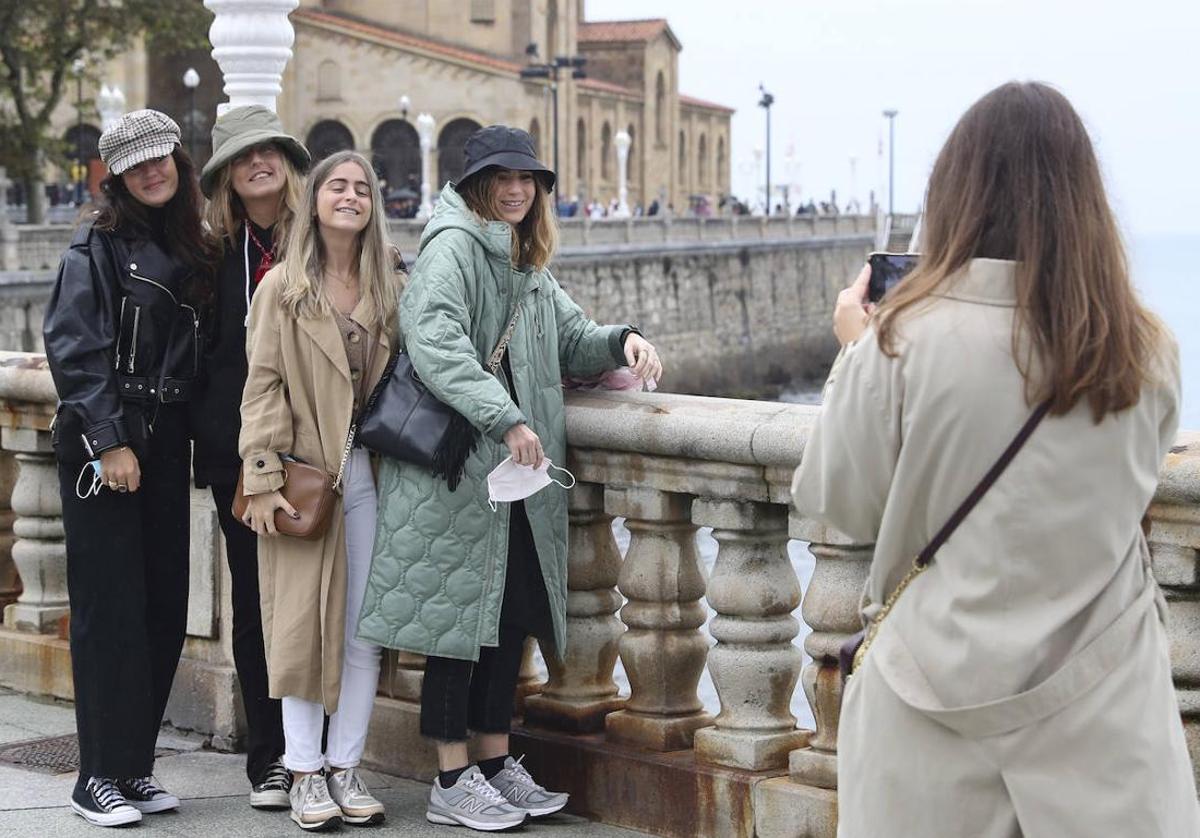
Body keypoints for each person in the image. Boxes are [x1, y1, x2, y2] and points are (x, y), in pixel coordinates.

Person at [791, 81, 1198, 837]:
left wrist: (856, 351)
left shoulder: (900, 342)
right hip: (1104, 718)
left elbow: (836, 498)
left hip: (927, 709)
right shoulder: (1144, 350)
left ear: (957, 194)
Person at [356, 125, 662, 832]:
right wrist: (508, 419)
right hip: (456, 475)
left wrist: (624, 339)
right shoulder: (453, 248)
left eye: (529, 179)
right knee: (454, 629)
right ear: (476, 185)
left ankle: (494, 763)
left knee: (507, 619)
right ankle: (451, 780)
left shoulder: (526, 261)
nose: (518, 189)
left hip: (508, 483)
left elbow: (572, 338)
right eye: (503, 178)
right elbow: (435, 343)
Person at [43, 109, 218, 827]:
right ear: (116, 175)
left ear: (179, 161)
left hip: (165, 441)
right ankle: (97, 775)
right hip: (106, 445)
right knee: (108, 613)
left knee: (162, 608)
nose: (153, 171)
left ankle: (134, 767)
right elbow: (76, 351)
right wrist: (111, 440)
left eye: (162, 158)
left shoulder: (191, 242)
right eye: (137, 164)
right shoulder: (97, 242)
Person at [238, 150, 402, 831]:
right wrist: (263, 477)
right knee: (302, 626)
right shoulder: (282, 287)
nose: (350, 196)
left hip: (370, 475)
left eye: (362, 188)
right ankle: (304, 772)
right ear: (315, 202)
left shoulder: (387, 284)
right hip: (304, 475)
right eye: (337, 185)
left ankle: (346, 765)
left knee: (364, 628)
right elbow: (263, 385)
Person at [193, 105, 310, 811]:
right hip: (236, 457)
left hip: (319, 454)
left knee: (318, 604)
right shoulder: (211, 256)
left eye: (268, 151)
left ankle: (315, 750)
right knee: (254, 607)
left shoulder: (321, 241)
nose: (258, 163)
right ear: (228, 178)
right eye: (243, 156)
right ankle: (268, 755)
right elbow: (200, 357)